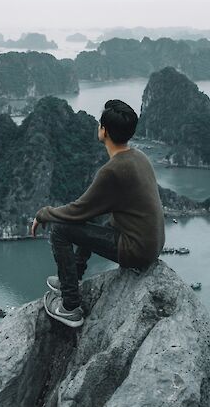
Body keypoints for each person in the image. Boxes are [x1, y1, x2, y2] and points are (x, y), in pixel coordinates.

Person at [31, 99, 165, 328]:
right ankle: (71, 277)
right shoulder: (139, 156)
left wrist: (44, 213)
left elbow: (78, 210)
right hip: (148, 243)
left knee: (60, 230)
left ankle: (70, 306)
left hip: (135, 250)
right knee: (92, 216)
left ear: (104, 130)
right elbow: (89, 209)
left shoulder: (112, 171)